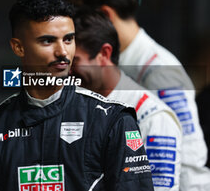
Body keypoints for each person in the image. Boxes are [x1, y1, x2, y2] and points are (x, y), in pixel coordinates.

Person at [0, 0, 154, 191]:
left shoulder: (113, 121)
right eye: (47, 41)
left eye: (68, 39)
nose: (62, 52)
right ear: (18, 47)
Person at [60, 0, 210, 191]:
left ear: (105, 15)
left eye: (82, 19)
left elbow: (188, 165)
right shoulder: (118, 65)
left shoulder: (159, 72)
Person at [71, 10, 183, 190]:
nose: (67, 71)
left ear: (104, 53)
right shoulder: (70, 106)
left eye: (74, 61)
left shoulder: (152, 117)